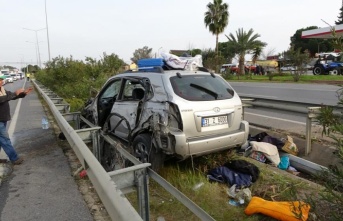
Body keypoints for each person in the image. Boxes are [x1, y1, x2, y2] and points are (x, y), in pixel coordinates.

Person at [0, 75, 33, 164]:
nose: (2, 82)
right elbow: (2, 99)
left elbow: (11, 96)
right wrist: (15, 93)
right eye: (0, 80)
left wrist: (23, 93)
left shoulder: (2, 90)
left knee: (1, 140)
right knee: (4, 139)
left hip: (3, 118)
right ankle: (14, 159)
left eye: (2, 80)